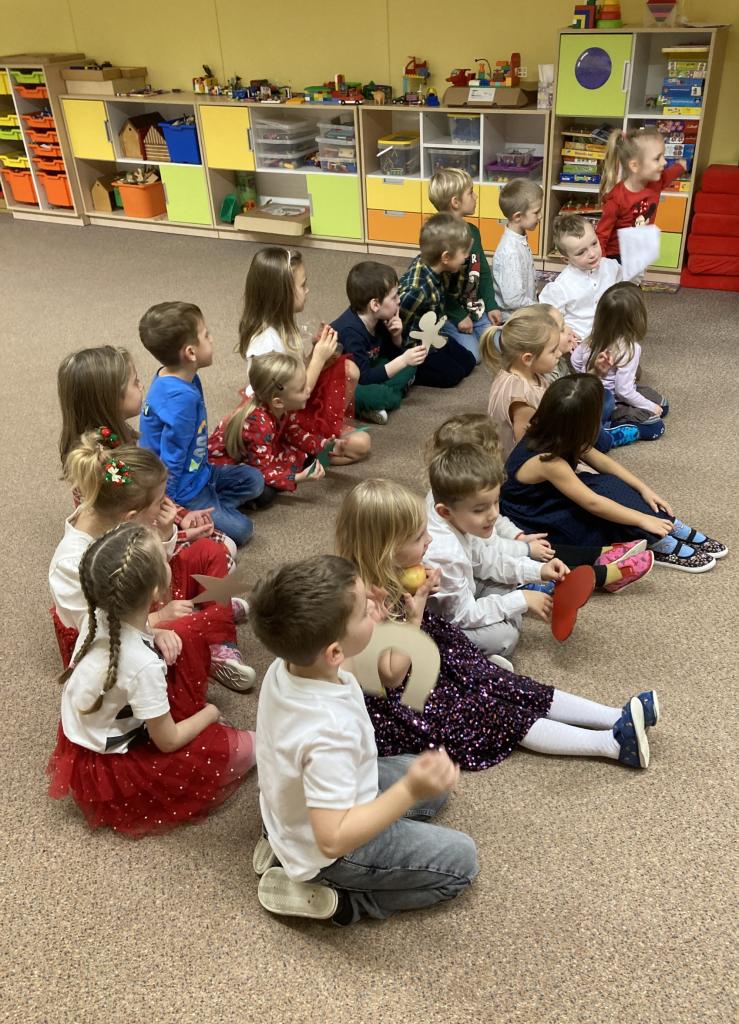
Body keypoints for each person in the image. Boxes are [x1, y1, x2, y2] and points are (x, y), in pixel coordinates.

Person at [336, 478, 659, 772]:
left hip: (426, 658)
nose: (429, 539)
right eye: (419, 537)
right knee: (493, 712)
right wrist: (417, 610)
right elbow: (392, 676)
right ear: (387, 549)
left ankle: (614, 716)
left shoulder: (389, 572)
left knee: (509, 684)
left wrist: (419, 592)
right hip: (403, 698)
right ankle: (611, 744)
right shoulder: (363, 603)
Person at [250, 554, 478, 925]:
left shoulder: (291, 663)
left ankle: (278, 839)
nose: (373, 605)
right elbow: (333, 839)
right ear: (334, 651)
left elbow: (354, 661)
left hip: (292, 806)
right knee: (462, 863)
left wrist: (373, 616)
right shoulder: (329, 733)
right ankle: (346, 900)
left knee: (435, 791)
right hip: (332, 851)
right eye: (363, 610)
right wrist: (408, 791)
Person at [47, 524, 255, 838]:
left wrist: (155, 631)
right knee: (245, 748)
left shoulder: (96, 615)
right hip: (119, 763)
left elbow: (133, 639)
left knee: (182, 639)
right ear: (157, 591)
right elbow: (167, 741)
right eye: (164, 558)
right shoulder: (141, 665)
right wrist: (210, 713)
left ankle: (216, 625)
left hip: (88, 733)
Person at [50, 433, 255, 690]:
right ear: (130, 517)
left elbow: (153, 565)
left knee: (208, 550)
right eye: (160, 503)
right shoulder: (72, 565)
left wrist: (165, 535)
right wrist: (159, 618)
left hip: (144, 596)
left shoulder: (111, 512)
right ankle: (214, 619)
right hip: (115, 635)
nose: (168, 507)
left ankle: (218, 633)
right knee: (185, 633)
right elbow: (101, 633)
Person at [500, 374, 727, 572]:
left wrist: (643, 489)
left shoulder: (562, 431)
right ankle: (656, 541)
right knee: (600, 520)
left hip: (552, 494)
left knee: (608, 484)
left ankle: (668, 524)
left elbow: (601, 461)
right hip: (534, 514)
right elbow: (593, 504)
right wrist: (643, 519)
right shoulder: (549, 461)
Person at [426, 414, 655, 596]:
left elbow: (497, 522)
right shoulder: (456, 510)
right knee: (531, 561)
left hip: (492, 549)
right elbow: (490, 554)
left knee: (539, 547)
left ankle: (600, 554)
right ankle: (600, 575)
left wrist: (518, 537)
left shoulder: (462, 492)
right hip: (484, 569)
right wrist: (525, 548)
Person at [57, 344, 233, 563]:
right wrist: (176, 534)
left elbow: (146, 492)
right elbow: (128, 525)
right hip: (125, 546)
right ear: (112, 399)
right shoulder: (106, 462)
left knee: (223, 540)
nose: (142, 385)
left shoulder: (108, 436)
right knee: (227, 549)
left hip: (142, 514)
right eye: (135, 382)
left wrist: (182, 515)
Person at [425, 443, 570, 660]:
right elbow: (462, 616)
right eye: (480, 509)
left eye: (495, 502)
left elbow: (488, 560)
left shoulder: (462, 522)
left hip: (464, 593)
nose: (493, 514)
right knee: (504, 637)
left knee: (506, 583)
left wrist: (540, 570)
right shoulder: (445, 553)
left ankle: (501, 622)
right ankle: (467, 661)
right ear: (445, 512)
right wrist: (521, 600)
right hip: (445, 621)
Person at [138, 301, 265, 547]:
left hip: (200, 473)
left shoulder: (180, 376)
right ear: (190, 353)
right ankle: (195, 516)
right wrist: (171, 507)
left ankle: (213, 507)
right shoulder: (181, 400)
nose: (212, 338)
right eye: (206, 335)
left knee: (255, 480)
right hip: (182, 490)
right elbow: (172, 458)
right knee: (243, 530)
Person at [238, 247, 370, 464]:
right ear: (282, 294)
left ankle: (320, 436)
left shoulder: (284, 324)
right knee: (361, 444)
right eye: (302, 285)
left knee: (350, 370)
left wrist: (317, 353)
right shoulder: (264, 344)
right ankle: (298, 453)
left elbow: (296, 371)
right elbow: (295, 394)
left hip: (293, 400)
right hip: (280, 415)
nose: (307, 290)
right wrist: (318, 358)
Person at [514, 303, 640, 450]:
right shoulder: (537, 381)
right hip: (563, 429)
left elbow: (574, 389)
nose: (569, 330)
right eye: (562, 329)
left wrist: (596, 371)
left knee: (605, 395)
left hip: (569, 417)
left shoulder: (555, 362)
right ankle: (604, 437)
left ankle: (599, 429)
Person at [208, 352, 329, 503]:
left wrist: (323, 445)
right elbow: (261, 471)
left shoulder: (281, 406)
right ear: (278, 402)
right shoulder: (259, 425)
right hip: (224, 465)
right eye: (301, 389)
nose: (308, 389)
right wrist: (298, 478)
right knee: (265, 493)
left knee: (304, 454)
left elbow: (292, 433)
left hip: (258, 452)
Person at [331, 261, 426, 425]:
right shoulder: (350, 332)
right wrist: (403, 360)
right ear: (375, 305)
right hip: (348, 382)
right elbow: (364, 378)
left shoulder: (379, 317)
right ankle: (374, 403)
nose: (399, 301)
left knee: (410, 365)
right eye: (394, 297)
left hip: (369, 365)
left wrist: (396, 337)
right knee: (377, 394)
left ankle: (377, 403)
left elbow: (390, 354)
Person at [571, 282, 667, 440]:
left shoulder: (591, 337)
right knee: (656, 426)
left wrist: (586, 373)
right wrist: (649, 406)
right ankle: (611, 428)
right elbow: (623, 391)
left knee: (662, 405)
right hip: (611, 402)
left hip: (588, 393)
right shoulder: (630, 348)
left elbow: (574, 361)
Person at [426, 167, 502, 361]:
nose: (475, 196)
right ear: (455, 202)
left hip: (475, 308)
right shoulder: (439, 239)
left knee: (500, 347)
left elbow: (483, 271)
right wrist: (459, 316)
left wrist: (491, 305)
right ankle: (442, 331)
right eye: (470, 192)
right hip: (451, 313)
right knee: (474, 356)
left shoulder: (473, 231)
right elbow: (438, 288)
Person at [397, 213, 477, 388]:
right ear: (446, 257)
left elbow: (456, 293)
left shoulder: (441, 269)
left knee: (469, 361)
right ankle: (409, 373)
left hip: (433, 334)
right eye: (463, 253)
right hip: (415, 346)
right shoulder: (417, 290)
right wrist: (402, 359)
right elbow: (396, 325)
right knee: (453, 376)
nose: (466, 257)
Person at [480, 308, 560, 459]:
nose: (559, 354)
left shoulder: (525, 372)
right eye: (553, 350)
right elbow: (527, 449)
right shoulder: (520, 397)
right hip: (525, 463)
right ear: (527, 358)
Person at [596, 127, 685, 260]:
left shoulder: (656, 183)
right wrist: (601, 263)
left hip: (639, 250)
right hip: (616, 256)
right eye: (657, 158)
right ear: (635, 166)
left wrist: (681, 167)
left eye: (663, 156)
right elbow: (602, 234)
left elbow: (670, 174)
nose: (665, 162)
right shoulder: (616, 199)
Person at [539, 215, 625, 340]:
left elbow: (622, 285)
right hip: (579, 339)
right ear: (566, 259)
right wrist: (563, 329)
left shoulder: (611, 266)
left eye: (594, 243)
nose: (592, 254)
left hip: (607, 334)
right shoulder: (563, 285)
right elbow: (547, 312)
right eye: (581, 252)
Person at [492, 180, 544, 319]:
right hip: (514, 319)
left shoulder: (518, 240)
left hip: (525, 311)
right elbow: (513, 300)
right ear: (517, 217)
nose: (540, 216)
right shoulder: (510, 251)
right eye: (536, 212)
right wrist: (540, 308)